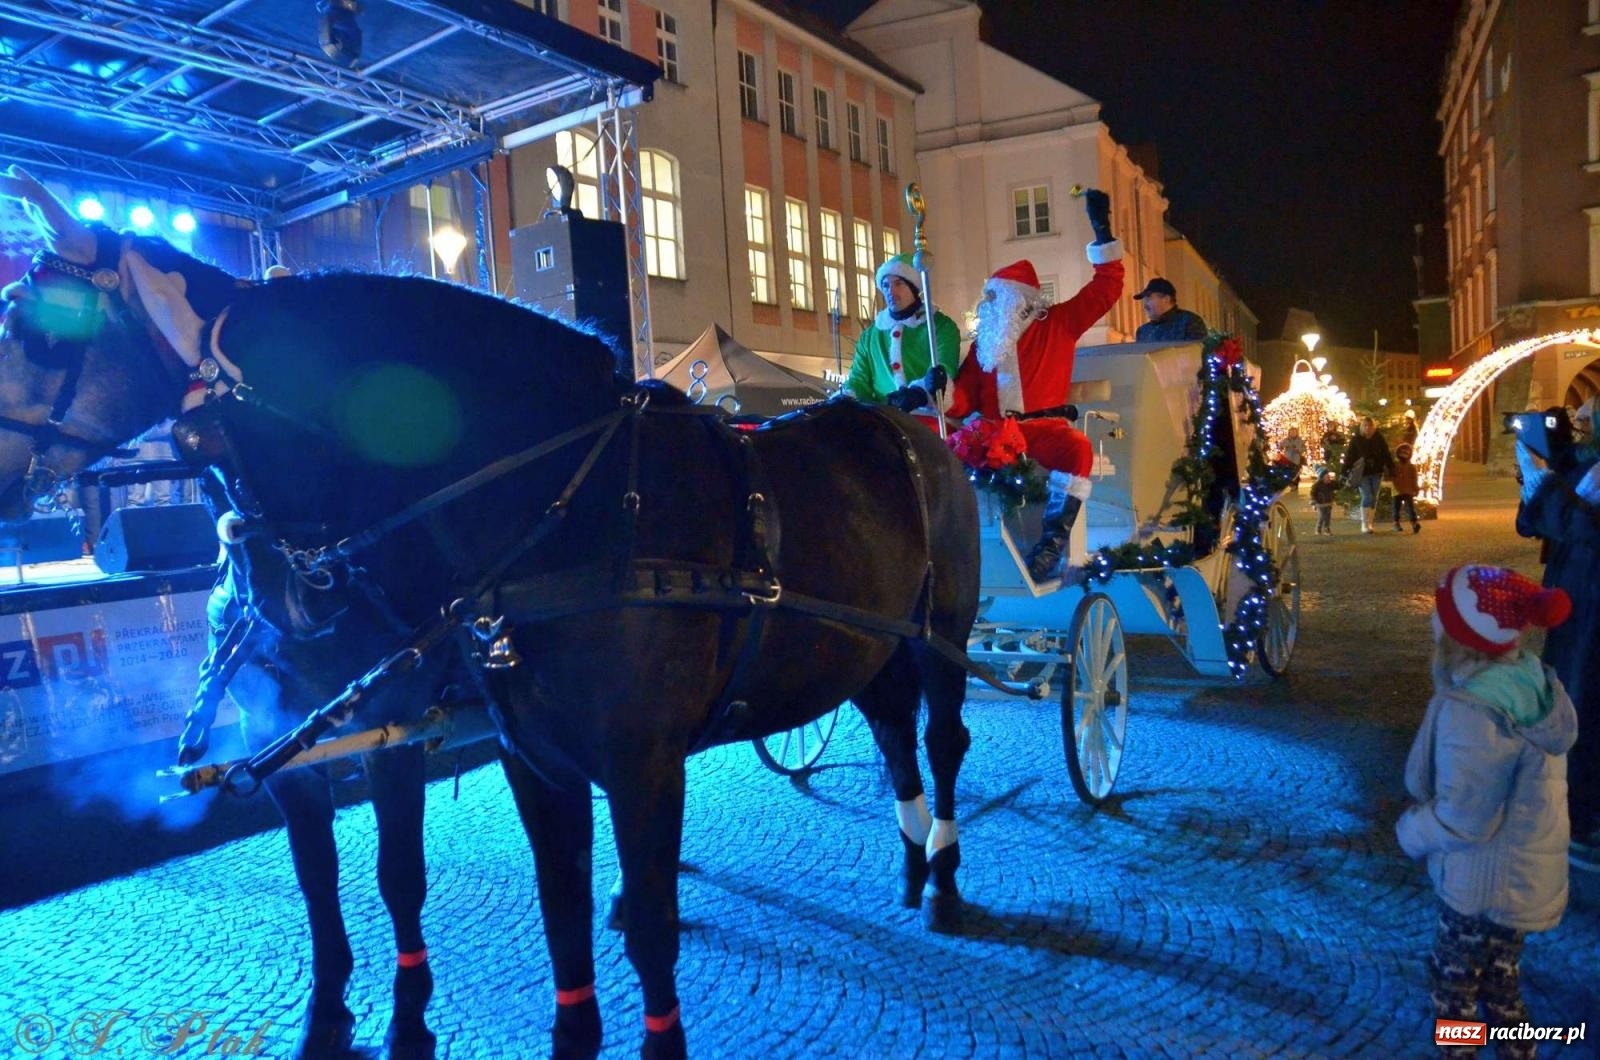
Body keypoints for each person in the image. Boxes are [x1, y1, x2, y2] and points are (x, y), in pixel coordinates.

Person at [1396, 565, 1576, 1056]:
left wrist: (1411, 831)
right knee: (1502, 981)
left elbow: (1466, 816)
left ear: (1458, 639)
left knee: (1456, 991)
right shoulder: (1529, 683)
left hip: (1481, 881)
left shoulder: (1475, 709)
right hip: (1522, 878)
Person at [947, 189, 1124, 581]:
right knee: (943, 450)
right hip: (992, 432)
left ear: (1020, 300)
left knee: (1077, 448)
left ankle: (1052, 544)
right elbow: (963, 399)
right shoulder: (985, 345)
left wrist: (1102, 230)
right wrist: (940, 389)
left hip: (1043, 430)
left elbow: (1107, 288)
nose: (987, 305)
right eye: (987, 298)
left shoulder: (1057, 323)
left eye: (994, 297)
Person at [1515, 427, 1600, 873]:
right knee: (1569, 694)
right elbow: (1535, 522)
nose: (1583, 420)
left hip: (1590, 611)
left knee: (1585, 699)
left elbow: (1583, 525)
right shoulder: (1587, 466)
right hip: (1576, 604)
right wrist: (1546, 479)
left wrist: (1546, 490)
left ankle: (1584, 818)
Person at [845, 253, 963, 430]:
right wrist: (847, 397)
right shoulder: (870, 336)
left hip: (929, 420)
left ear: (914, 288)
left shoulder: (939, 326)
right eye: (885, 285)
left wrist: (919, 393)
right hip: (884, 422)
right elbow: (858, 380)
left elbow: (945, 368)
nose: (890, 292)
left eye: (898, 284)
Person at [1341, 417, 1394, 534]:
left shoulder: (1379, 439)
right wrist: (1344, 470)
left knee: (1374, 497)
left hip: (1376, 472)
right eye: (1365, 426)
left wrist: (1391, 468)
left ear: (1374, 427)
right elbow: (1350, 456)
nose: (1367, 428)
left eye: (1370, 426)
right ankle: (1364, 524)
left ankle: (1370, 523)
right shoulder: (1356, 440)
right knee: (1367, 496)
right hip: (1362, 473)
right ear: (1362, 427)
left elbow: (1386, 454)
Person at [1132, 277, 1207, 342]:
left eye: (1149, 298)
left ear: (1166, 299)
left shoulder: (1189, 323)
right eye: (1144, 300)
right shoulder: (1143, 331)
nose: (1145, 305)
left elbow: (1196, 353)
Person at [1391, 442, 1421, 534]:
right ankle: (1396, 523)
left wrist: (1416, 488)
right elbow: (1391, 476)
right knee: (1397, 507)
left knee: (1409, 507)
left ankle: (1414, 522)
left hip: (1407, 490)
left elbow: (1414, 479)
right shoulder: (1395, 466)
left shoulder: (1411, 467)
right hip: (1398, 490)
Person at [1310, 465, 1338, 536]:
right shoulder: (1317, 485)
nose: (1328, 477)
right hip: (1320, 504)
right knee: (1322, 516)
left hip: (1328, 503)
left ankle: (1327, 529)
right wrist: (1313, 502)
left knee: (1328, 517)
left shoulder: (1331, 483)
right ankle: (1318, 529)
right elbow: (1313, 493)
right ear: (1322, 477)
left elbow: (1337, 486)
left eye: (1328, 475)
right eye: (1326, 475)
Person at [1279, 427, 1307, 494]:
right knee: (1287, 473)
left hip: (1296, 459)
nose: (1293, 433)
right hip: (1288, 459)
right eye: (1291, 432)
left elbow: (1303, 448)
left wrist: (1298, 450)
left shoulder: (1300, 440)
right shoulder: (1286, 440)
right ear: (1289, 433)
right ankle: (1291, 485)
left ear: (1297, 433)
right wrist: (1284, 446)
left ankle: (1295, 486)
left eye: (1294, 432)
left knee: (1296, 473)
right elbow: (1280, 446)